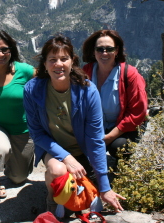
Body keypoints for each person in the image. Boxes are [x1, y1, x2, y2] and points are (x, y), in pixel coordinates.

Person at [23, 34, 125, 214]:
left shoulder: (87, 91)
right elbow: (37, 133)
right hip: (54, 151)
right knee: (57, 169)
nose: (58, 64)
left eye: (64, 59)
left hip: (83, 151)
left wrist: (105, 186)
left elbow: (95, 140)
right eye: (52, 59)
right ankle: (52, 200)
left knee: (90, 192)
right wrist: (67, 157)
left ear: (72, 61)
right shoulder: (33, 90)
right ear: (45, 64)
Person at [0, 29, 35, 199]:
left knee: (18, 178)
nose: (0, 54)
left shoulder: (24, 70)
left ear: (11, 50)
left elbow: (49, 76)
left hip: (22, 129)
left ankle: (12, 160)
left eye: (5, 49)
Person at [82, 30, 148, 160]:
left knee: (119, 147)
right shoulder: (86, 72)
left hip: (126, 128)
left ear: (117, 51)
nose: (104, 53)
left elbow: (137, 112)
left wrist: (109, 138)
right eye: (100, 49)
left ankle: (121, 173)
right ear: (94, 51)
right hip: (97, 126)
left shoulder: (130, 74)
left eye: (109, 49)